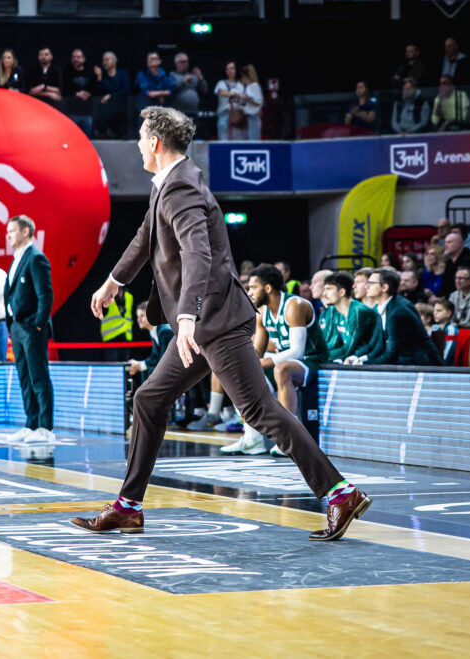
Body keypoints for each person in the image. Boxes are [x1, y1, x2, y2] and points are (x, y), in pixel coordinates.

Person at [77, 106, 368, 541]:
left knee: (259, 410)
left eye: (140, 137)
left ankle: (340, 493)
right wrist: (113, 282)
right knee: (150, 400)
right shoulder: (171, 182)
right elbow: (144, 239)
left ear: (155, 142)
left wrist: (187, 315)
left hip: (216, 321)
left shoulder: (180, 188)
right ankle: (128, 507)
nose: (137, 144)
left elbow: (198, 254)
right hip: (205, 324)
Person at [220, 263, 330, 456]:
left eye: (253, 287)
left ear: (268, 288)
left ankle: (289, 437)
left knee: (282, 369)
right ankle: (253, 439)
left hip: (313, 360)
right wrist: (244, 366)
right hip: (286, 360)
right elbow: (257, 352)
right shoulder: (262, 313)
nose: (249, 292)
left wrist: (263, 363)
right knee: (238, 374)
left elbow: (297, 351)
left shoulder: (294, 306)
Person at [4, 215, 55, 445]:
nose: (8, 235)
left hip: (31, 327)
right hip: (17, 327)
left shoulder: (36, 258)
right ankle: (31, 423)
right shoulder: (17, 258)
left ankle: (45, 427)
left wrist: (38, 324)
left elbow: (46, 295)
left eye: (12, 230)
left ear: (25, 232)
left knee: (38, 377)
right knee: (24, 377)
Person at [350, 268, 442, 366]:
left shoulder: (397, 313)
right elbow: (377, 345)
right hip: (403, 363)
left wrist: (363, 363)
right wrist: (355, 358)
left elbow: (390, 356)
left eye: (371, 283)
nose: (366, 286)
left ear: (384, 287)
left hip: (420, 365)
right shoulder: (383, 307)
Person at [93, 51, 130, 138]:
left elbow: (126, 89)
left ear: (114, 61)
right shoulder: (103, 76)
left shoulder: (122, 74)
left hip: (120, 114)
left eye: (107, 60)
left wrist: (110, 95)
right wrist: (99, 77)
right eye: (103, 60)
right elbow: (99, 92)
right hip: (106, 115)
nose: (104, 62)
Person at [169, 52, 208, 124]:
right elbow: (170, 89)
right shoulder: (172, 75)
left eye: (187, 61)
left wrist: (200, 77)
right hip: (178, 113)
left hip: (193, 112)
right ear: (176, 63)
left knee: (193, 131)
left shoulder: (193, 76)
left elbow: (204, 90)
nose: (186, 64)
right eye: (183, 62)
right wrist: (183, 81)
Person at [62, 49, 94, 135]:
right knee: (72, 137)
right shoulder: (67, 72)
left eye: (78, 57)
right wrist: (77, 94)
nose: (75, 59)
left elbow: (95, 89)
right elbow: (63, 90)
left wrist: (89, 93)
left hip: (87, 113)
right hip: (72, 113)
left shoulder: (90, 73)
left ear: (84, 59)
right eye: (73, 57)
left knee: (87, 138)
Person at [214, 61, 246, 141]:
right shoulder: (221, 82)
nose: (230, 71)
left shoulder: (240, 85)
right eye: (228, 69)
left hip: (237, 116)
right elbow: (220, 92)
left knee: (237, 141)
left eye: (232, 68)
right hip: (224, 114)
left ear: (236, 70)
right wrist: (236, 94)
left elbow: (245, 98)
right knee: (223, 140)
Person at [239, 64, 263, 141]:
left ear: (247, 76)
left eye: (243, 76)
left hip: (253, 117)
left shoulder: (255, 86)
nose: (242, 78)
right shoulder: (248, 87)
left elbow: (258, 102)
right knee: (248, 139)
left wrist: (246, 98)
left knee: (253, 139)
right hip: (247, 117)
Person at [433, 299, 460, 365]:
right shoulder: (434, 328)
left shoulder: (452, 330)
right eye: (434, 310)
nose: (434, 313)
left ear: (448, 313)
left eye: (439, 310)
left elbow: (447, 355)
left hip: (447, 367)